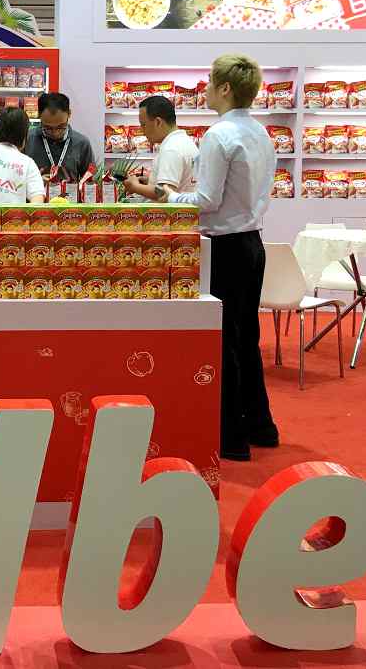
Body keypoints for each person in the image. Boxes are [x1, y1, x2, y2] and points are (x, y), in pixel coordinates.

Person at [125, 54, 276, 463]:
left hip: (224, 246)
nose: (205, 89)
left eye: (210, 82)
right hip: (252, 242)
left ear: (225, 88)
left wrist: (170, 197)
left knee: (225, 341)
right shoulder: (260, 132)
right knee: (246, 337)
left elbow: (206, 200)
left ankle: (231, 437)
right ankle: (260, 425)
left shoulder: (218, 134)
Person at [121, 95, 197, 202]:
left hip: (172, 212)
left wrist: (135, 187)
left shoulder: (171, 149)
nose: (142, 130)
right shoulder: (184, 142)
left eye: (144, 125)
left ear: (158, 122)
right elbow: (178, 184)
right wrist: (151, 181)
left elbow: (164, 194)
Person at [26, 92, 95, 182]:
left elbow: (90, 180)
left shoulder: (82, 143)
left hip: (70, 191)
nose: (55, 133)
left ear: (69, 114)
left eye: (61, 127)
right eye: (48, 128)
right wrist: (34, 182)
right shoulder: (27, 140)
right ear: (39, 115)